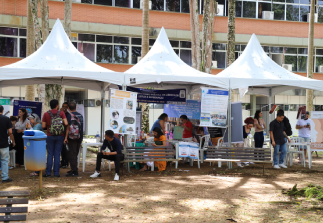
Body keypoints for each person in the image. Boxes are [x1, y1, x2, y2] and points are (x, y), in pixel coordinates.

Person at [42, 99, 68, 177]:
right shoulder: (62, 113)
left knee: (50, 154)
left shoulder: (46, 114)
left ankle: (48, 173)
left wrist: (49, 125)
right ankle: (56, 173)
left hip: (50, 136)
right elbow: (66, 123)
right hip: (60, 136)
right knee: (57, 154)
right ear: (57, 105)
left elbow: (43, 126)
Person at [65, 101, 83, 177]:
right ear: (76, 107)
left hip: (71, 137)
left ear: (68, 108)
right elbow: (82, 127)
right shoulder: (81, 115)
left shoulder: (69, 116)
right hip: (79, 137)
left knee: (71, 154)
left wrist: (66, 137)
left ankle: (74, 171)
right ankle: (73, 169)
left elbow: (68, 127)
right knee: (75, 153)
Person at [0, 105, 14, 183]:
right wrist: (6, 135)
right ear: (2, 111)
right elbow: (10, 132)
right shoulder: (6, 119)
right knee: (4, 161)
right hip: (4, 143)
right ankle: (5, 177)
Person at [60, 102, 71, 169]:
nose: (64, 108)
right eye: (63, 106)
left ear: (68, 108)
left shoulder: (68, 115)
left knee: (65, 150)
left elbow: (67, 125)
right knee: (61, 150)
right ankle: (62, 162)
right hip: (59, 134)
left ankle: (66, 162)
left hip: (65, 134)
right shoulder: (59, 114)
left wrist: (66, 137)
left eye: (66, 107)